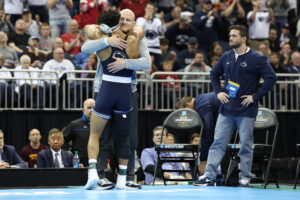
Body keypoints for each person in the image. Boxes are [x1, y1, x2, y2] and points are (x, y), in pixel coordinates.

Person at [195, 25, 276, 187]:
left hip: (246, 110)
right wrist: (218, 91)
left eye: (234, 36)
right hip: (226, 109)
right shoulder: (226, 56)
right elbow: (213, 74)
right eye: (230, 35)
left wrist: (255, 96)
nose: (230, 38)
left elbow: (271, 78)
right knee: (218, 142)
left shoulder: (257, 58)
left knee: (245, 144)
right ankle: (209, 175)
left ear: (244, 38)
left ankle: (245, 176)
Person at [82, 8, 150, 190]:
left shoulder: (130, 36)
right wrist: (107, 38)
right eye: (123, 19)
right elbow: (86, 44)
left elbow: (147, 63)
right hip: (117, 90)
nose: (125, 22)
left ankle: (115, 177)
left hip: (118, 90)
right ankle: (103, 177)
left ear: (133, 22)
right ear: (118, 22)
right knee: (106, 137)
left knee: (123, 138)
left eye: (129, 19)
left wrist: (124, 62)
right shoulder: (134, 37)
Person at [178, 92, 221, 174]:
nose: (188, 117)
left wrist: (203, 160)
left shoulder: (201, 104)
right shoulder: (201, 100)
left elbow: (208, 131)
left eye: (186, 113)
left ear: (188, 105)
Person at [63, 98, 95, 167]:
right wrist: (67, 152)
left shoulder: (101, 125)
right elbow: (62, 140)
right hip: (80, 165)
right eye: (89, 108)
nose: (92, 110)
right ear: (83, 110)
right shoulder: (74, 125)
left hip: (98, 165)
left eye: (94, 108)